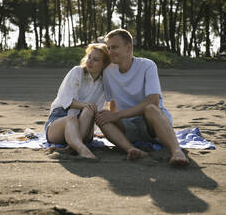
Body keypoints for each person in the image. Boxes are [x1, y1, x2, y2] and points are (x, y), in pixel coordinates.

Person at [95, 29, 189, 165]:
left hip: (152, 125)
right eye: (108, 48)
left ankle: (176, 152)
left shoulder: (147, 66)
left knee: (150, 108)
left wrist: (117, 116)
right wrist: (112, 123)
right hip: (129, 127)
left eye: (114, 47)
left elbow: (153, 101)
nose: (110, 52)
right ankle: (132, 149)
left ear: (128, 47)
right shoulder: (108, 72)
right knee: (101, 116)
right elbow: (113, 103)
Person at [44, 43, 110, 159]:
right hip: (60, 119)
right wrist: (85, 105)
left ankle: (71, 147)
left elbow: (96, 111)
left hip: (84, 124)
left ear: (104, 64)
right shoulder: (77, 72)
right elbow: (66, 101)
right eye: (89, 57)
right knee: (72, 118)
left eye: (95, 60)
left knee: (89, 110)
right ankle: (81, 149)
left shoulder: (104, 83)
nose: (89, 61)